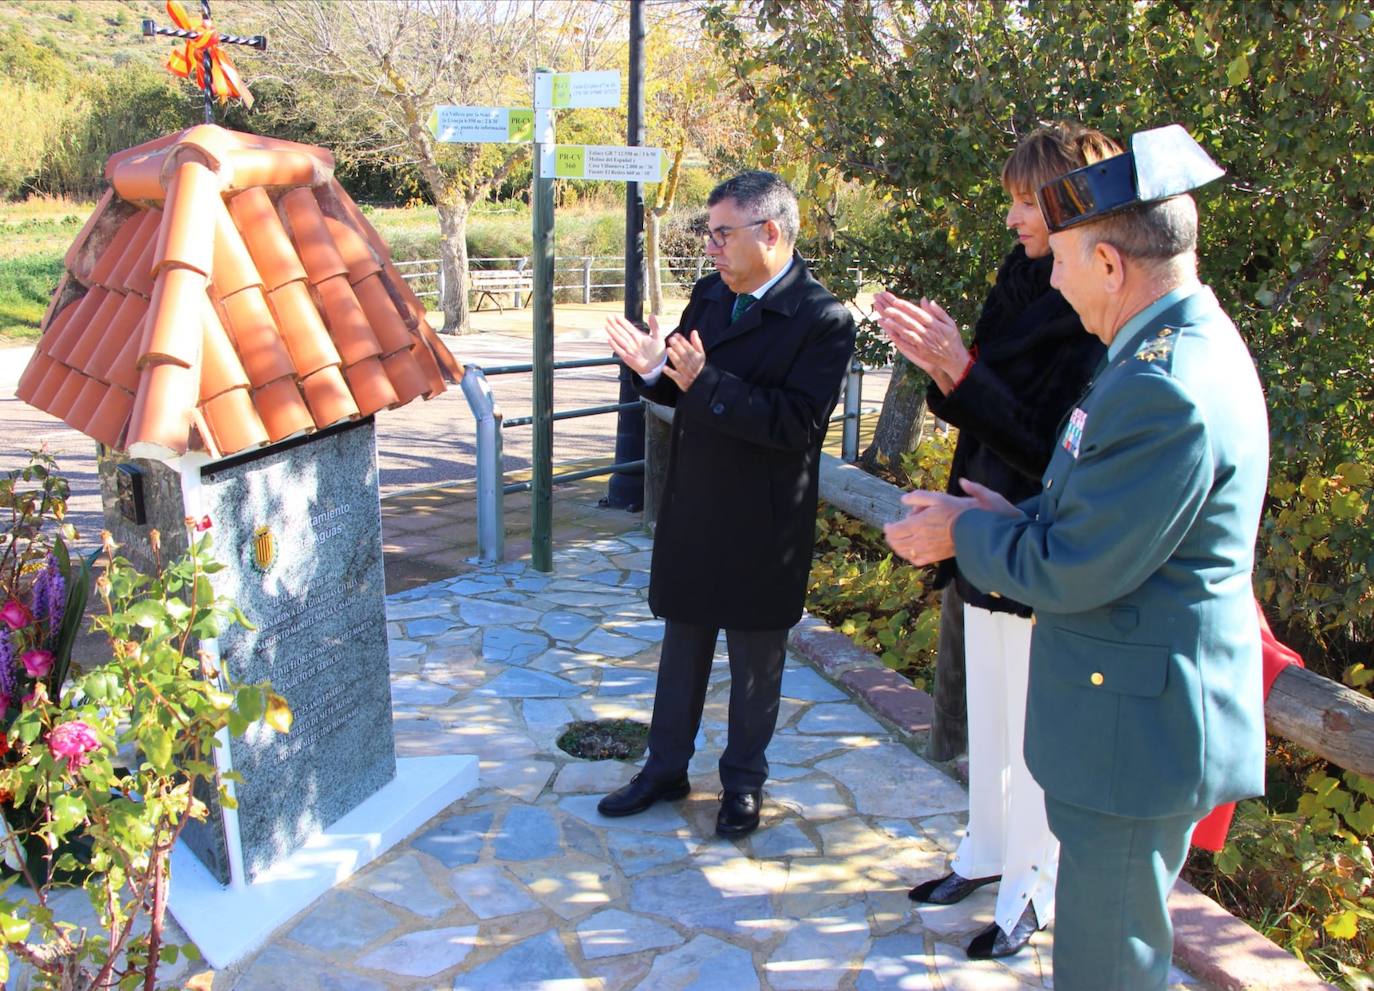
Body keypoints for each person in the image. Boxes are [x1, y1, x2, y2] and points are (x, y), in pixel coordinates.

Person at [882, 124, 1269, 991]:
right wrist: (1010, 511)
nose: (1049, 278)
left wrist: (961, 533)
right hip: (1130, 717)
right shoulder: (1161, 350)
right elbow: (1098, 509)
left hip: (1134, 735)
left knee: (1107, 961)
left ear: (1110, 265)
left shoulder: (1164, 383)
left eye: (1062, 258)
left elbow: (1077, 564)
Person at [873, 122, 1122, 961]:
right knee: (986, 710)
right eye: (1013, 200)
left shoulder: (1095, 303)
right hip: (977, 522)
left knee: (1028, 726)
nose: (1012, 217)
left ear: (1070, 203)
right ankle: (985, 848)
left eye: (1026, 201)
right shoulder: (1022, 278)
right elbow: (986, 400)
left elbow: (1057, 447)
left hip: (1032, 537)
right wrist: (952, 373)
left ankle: (1031, 886)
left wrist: (960, 373)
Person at [598, 170, 856, 838]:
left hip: (763, 521)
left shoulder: (823, 319)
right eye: (708, 234)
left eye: (721, 234)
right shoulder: (712, 295)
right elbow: (682, 387)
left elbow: (797, 424)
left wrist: (703, 380)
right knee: (682, 645)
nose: (709, 248)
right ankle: (664, 767)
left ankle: (743, 783)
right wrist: (655, 369)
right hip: (697, 503)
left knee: (754, 664)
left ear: (769, 233)